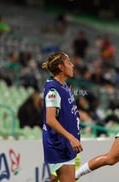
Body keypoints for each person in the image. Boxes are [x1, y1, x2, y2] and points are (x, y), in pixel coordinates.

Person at [41, 52, 83, 182]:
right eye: (69, 63)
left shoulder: (64, 86)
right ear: (61, 67)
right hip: (60, 146)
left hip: (66, 145)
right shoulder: (53, 90)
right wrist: (71, 138)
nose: (73, 65)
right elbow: (50, 119)